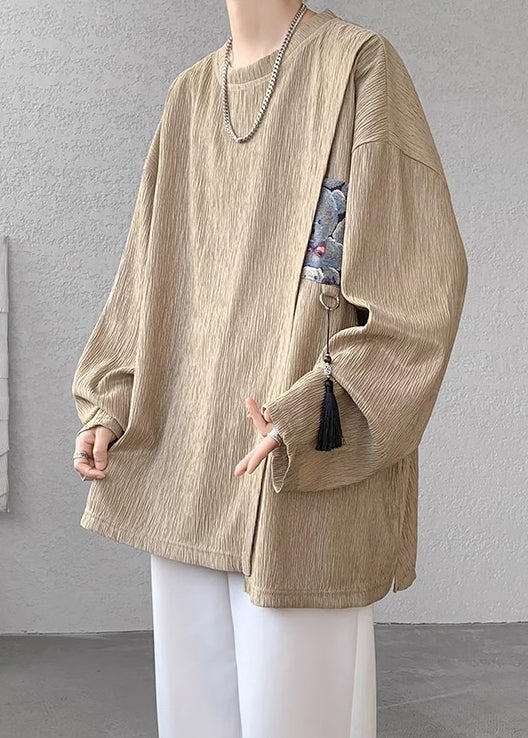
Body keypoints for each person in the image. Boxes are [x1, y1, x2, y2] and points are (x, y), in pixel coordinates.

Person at [71, 3, 468, 737]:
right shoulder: (191, 95)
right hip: (186, 459)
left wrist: (311, 416)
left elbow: (419, 292)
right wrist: (111, 400)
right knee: (193, 720)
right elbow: (147, 267)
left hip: (296, 471)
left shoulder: (357, 66)